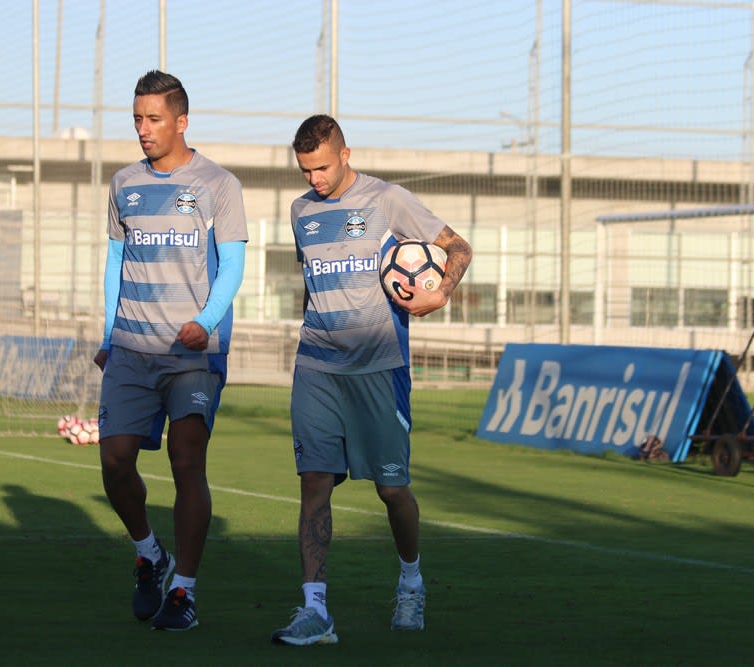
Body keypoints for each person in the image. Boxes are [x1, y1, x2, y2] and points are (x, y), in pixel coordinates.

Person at [271, 115, 473, 645]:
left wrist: (440, 292)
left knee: (392, 488)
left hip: (380, 367)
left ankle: (411, 579)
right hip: (316, 365)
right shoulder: (300, 213)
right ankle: (315, 609)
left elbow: (460, 248)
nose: (313, 179)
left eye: (321, 167)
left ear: (345, 154)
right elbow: (317, 287)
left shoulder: (389, 201)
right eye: (305, 169)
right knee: (314, 483)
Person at [93, 70, 248, 632]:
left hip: (192, 353)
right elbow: (115, 262)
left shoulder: (219, 185)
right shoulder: (123, 184)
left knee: (187, 461)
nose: (143, 129)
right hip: (131, 347)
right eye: (137, 118)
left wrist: (204, 324)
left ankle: (183, 590)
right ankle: (148, 552)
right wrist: (109, 336)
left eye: (154, 118)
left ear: (182, 121)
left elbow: (232, 265)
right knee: (114, 460)